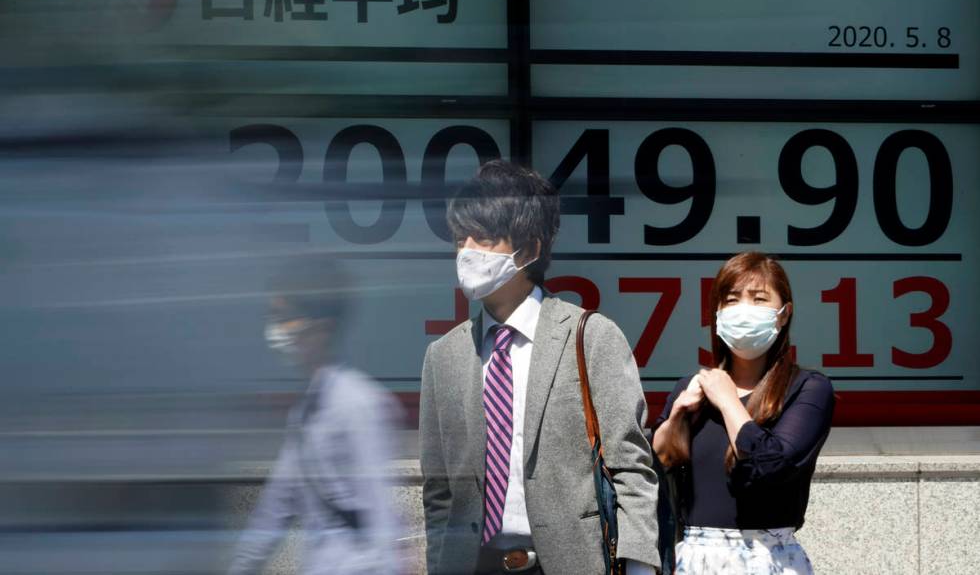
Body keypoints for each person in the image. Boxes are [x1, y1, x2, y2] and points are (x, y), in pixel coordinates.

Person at [420, 160, 661, 575]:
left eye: (485, 238)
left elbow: (631, 468)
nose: (468, 251)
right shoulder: (443, 356)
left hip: (569, 563)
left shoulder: (591, 337)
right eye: (462, 238)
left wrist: (638, 566)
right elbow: (439, 489)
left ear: (530, 249)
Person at [652, 252, 834, 574]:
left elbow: (770, 466)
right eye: (732, 300)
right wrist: (678, 412)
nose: (743, 310)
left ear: (783, 314)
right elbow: (661, 459)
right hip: (695, 557)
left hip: (769, 556)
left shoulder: (807, 388)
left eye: (759, 298)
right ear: (718, 314)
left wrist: (728, 401)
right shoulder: (692, 386)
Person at [228, 256, 404, 575]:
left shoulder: (359, 404)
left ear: (321, 328)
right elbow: (275, 507)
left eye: (284, 318)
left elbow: (381, 514)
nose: (275, 331)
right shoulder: (306, 410)